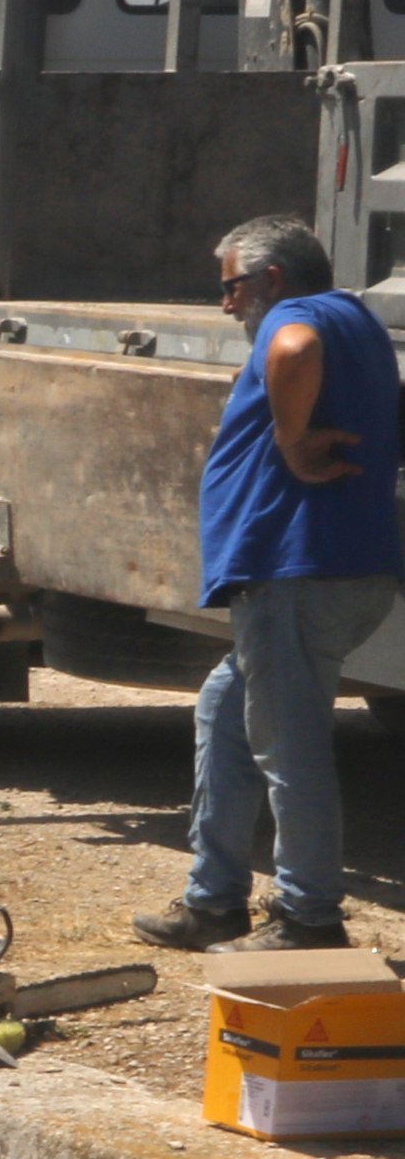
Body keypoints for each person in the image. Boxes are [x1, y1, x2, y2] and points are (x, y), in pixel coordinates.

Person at [136, 215, 405, 954]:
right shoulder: (356, 316)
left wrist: (288, 442)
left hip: (297, 573)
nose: (226, 306)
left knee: (290, 751)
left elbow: (293, 348)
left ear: (273, 279)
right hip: (333, 571)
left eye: (231, 287)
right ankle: (213, 901)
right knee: (224, 714)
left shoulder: (296, 320)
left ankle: (309, 919)